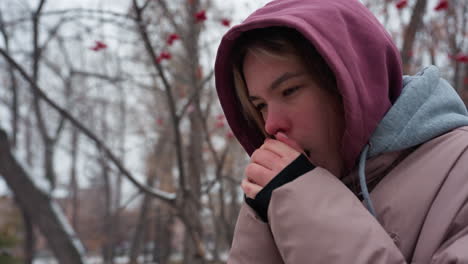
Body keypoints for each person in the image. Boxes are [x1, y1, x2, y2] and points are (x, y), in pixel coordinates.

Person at [214, 0, 468, 263]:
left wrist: (308, 206)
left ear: (353, 84)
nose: (269, 125)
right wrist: (266, 211)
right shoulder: (289, 190)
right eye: (260, 106)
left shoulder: (460, 169)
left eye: (289, 91)